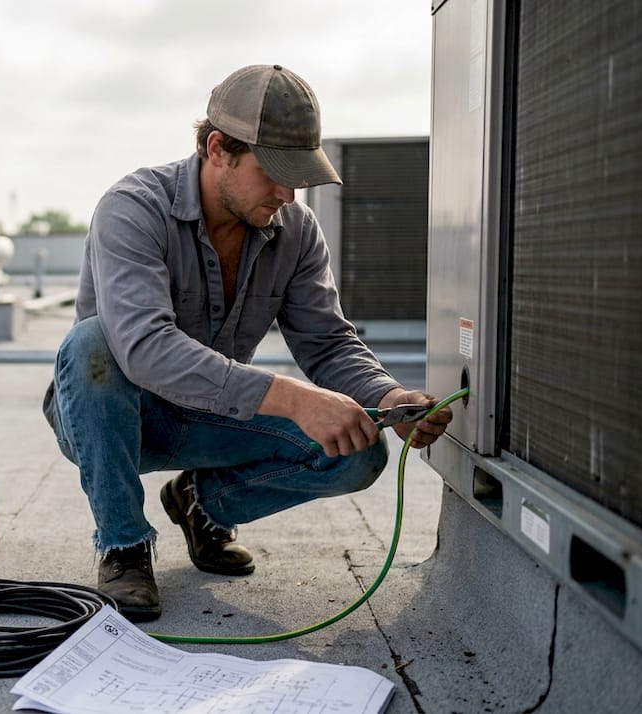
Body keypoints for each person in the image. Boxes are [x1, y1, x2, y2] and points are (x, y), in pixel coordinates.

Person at [42, 64, 453, 622]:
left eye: (299, 175)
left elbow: (328, 343)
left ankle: (202, 506)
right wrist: (294, 398)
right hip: (118, 417)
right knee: (92, 344)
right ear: (218, 149)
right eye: (274, 173)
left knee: (359, 448)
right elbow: (142, 347)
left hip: (212, 412)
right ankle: (123, 545)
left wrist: (386, 398)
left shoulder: (296, 230)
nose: (288, 193)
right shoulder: (133, 207)